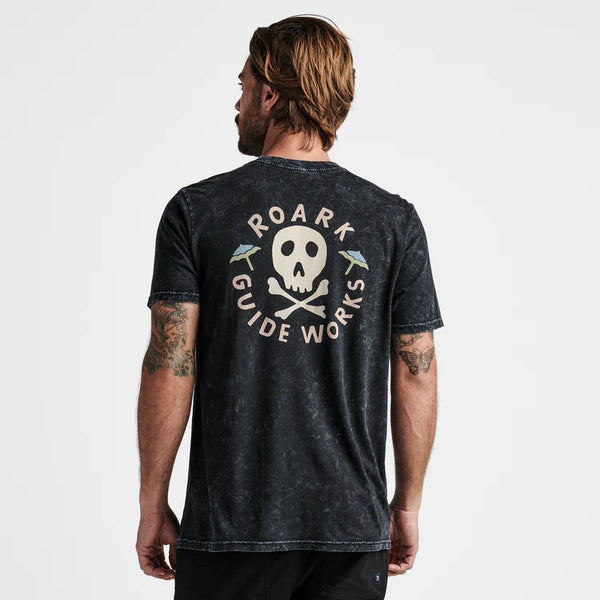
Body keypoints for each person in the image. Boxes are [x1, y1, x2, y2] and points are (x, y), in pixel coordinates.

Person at [136, 14, 444, 600]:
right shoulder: (393, 221)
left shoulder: (197, 211)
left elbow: (170, 362)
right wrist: (406, 504)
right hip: (350, 532)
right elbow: (417, 370)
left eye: (244, 86)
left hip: (228, 529)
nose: (237, 103)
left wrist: (153, 503)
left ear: (271, 95)